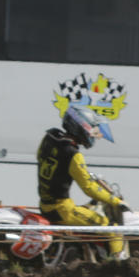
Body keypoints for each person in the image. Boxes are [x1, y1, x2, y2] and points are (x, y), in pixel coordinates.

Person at [36, 104, 127, 260]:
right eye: (91, 129)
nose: (92, 134)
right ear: (81, 127)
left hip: (45, 204)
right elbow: (88, 187)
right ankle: (119, 266)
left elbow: (46, 161)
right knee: (111, 228)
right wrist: (115, 201)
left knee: (90, 207)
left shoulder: (50, 139)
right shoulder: (73, 154)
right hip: (62, 209)